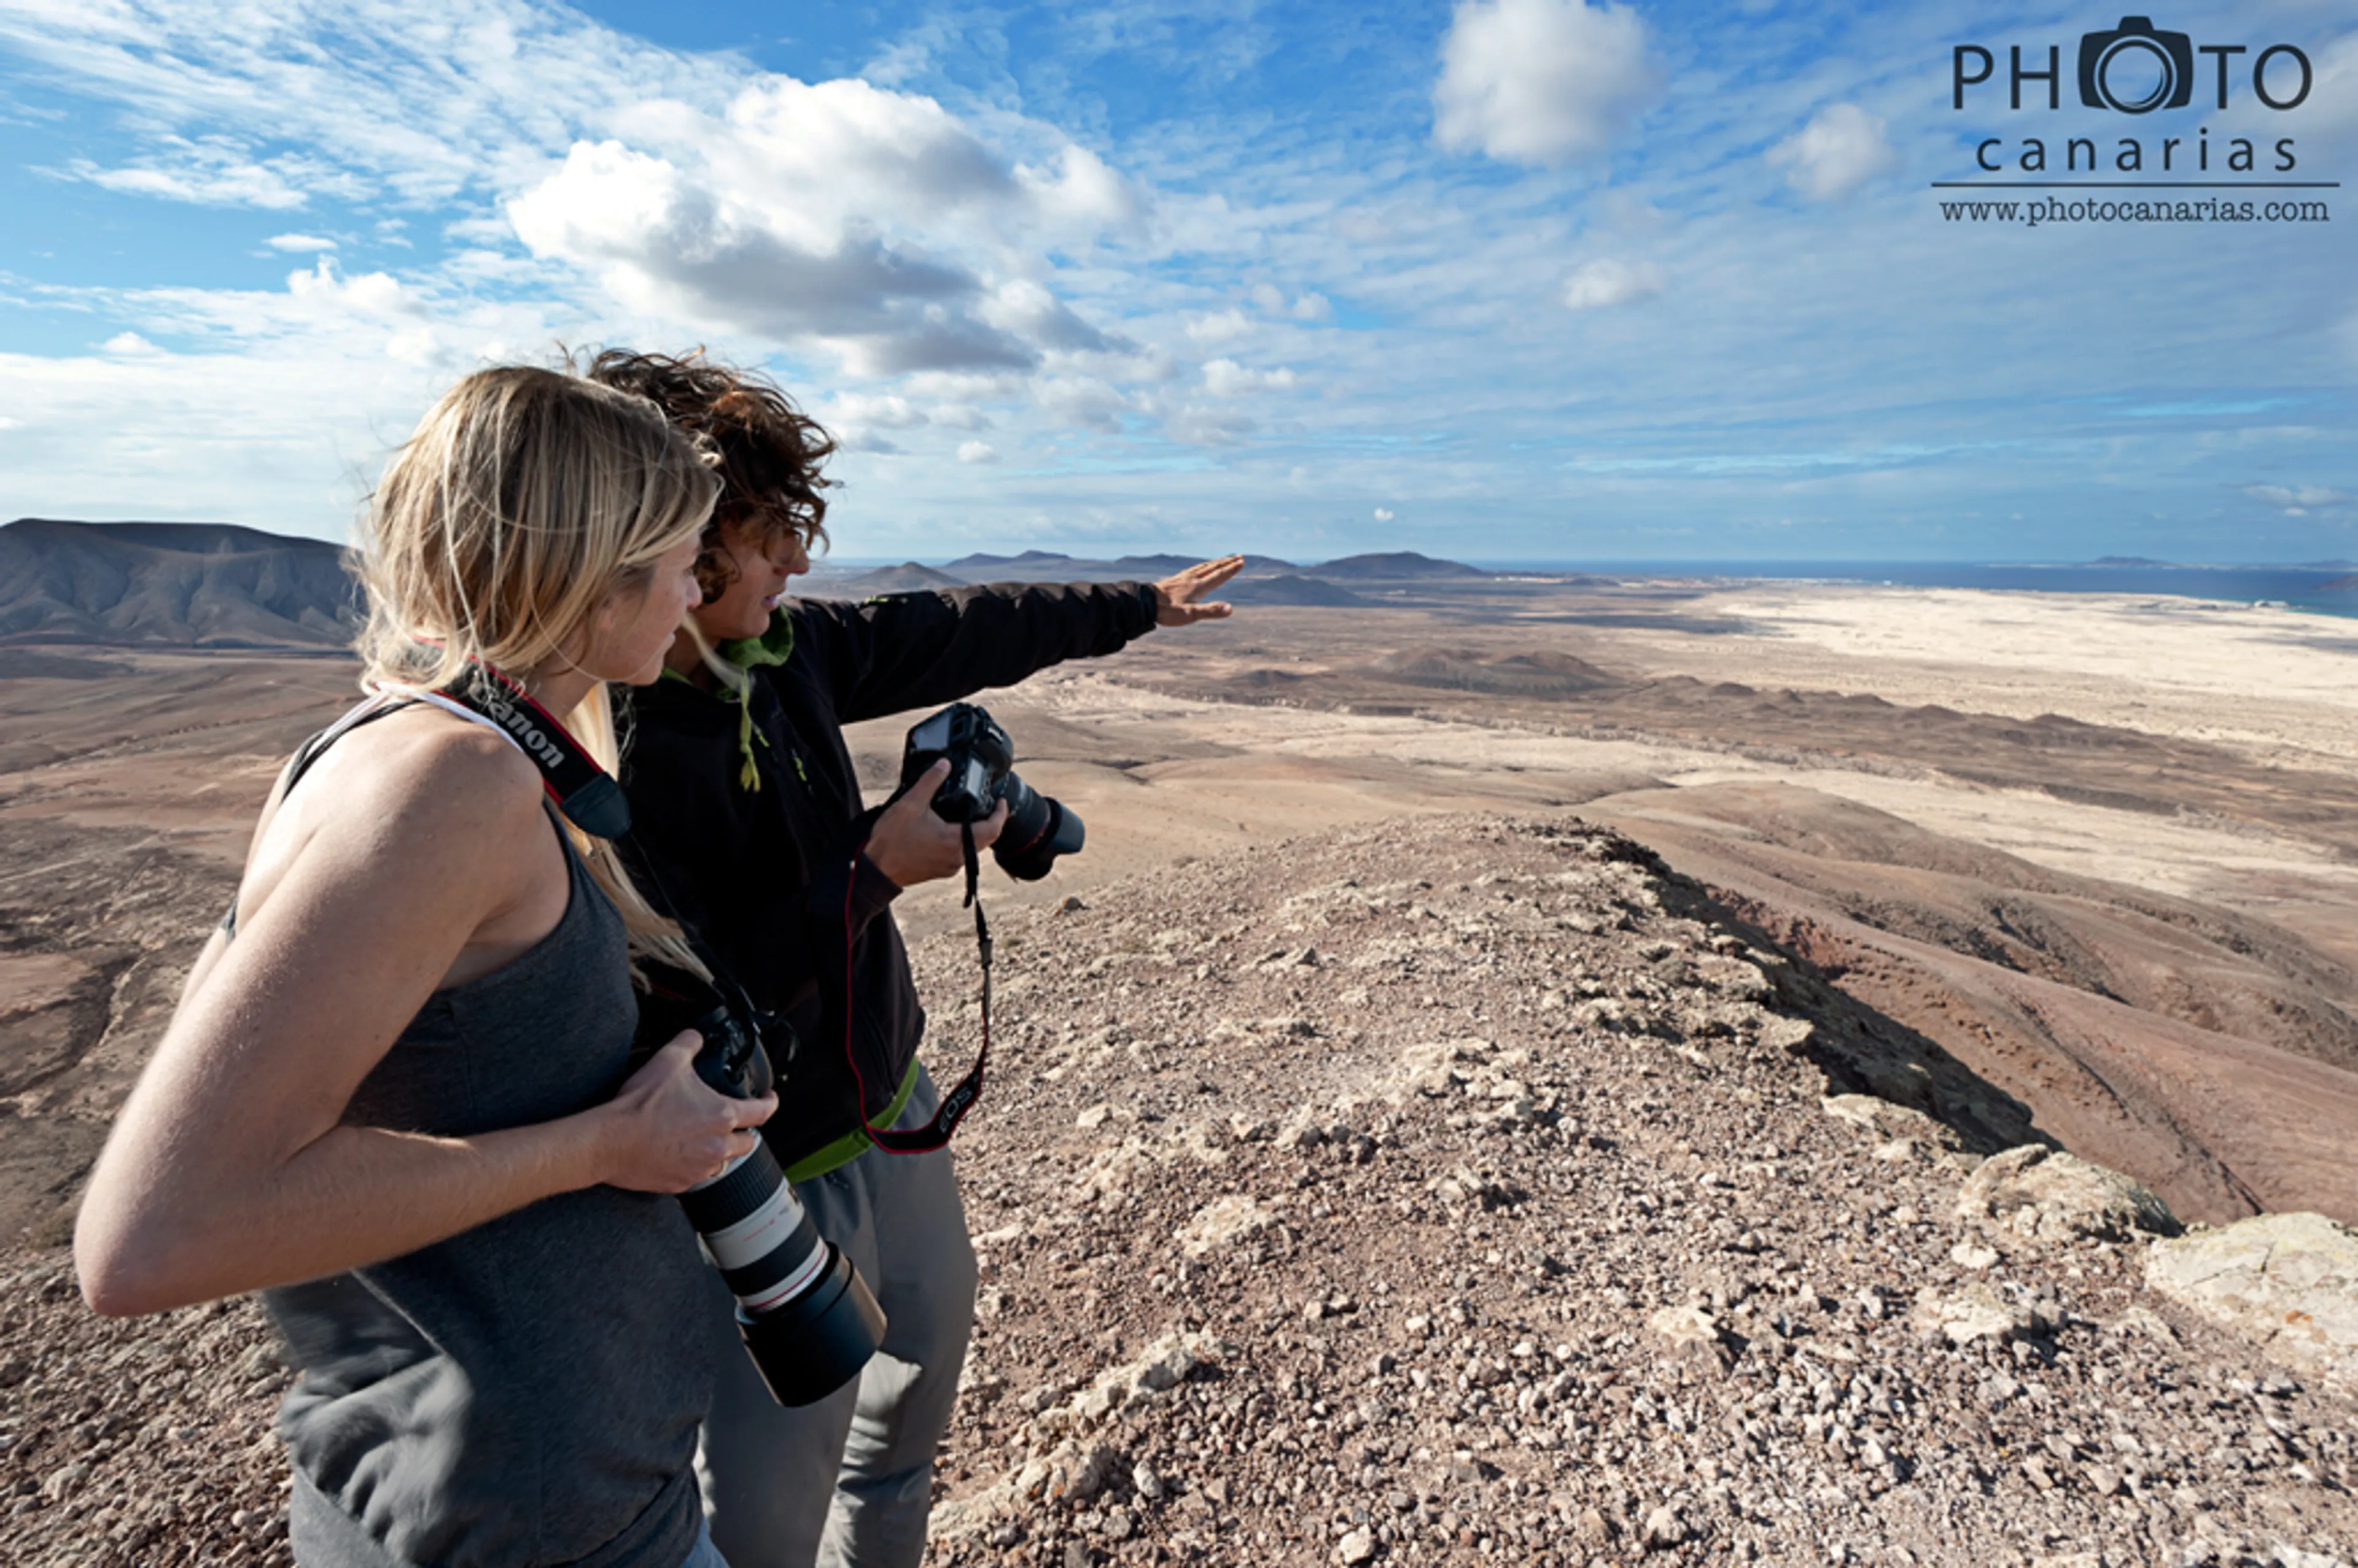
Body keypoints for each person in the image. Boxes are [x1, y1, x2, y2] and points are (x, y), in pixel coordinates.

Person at [74, 366, 779, 1568]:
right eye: (672, 555)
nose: (691, 587)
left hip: (519, 1497)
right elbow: (149, 1237)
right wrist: (606, 1146)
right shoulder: (453, 782)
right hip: (532, 1521)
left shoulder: (394, 744)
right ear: (587, 570)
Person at [586, 349, 1241, 1568]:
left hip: (897, 1113)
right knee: (762, 1530)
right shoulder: (609, 753)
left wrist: (1135, 607)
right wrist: (872, 868)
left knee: (904, 1436)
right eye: (769, 534)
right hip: (760, 1181)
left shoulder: (784, 653)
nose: (797, 561)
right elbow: (690, 1008)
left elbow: (966, 625)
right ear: (674, 540)